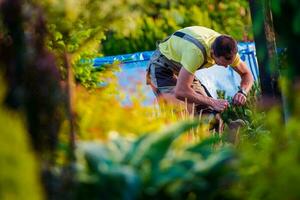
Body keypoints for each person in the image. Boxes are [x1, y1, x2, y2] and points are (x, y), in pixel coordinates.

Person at [146, 26, 254, 115]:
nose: (226, 67)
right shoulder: (196, 53)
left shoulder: (227, 49)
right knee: (181, 115)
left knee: (209, 113)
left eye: (228, 64)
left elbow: (246, 74)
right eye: (221, 64)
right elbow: (180, 91)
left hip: (183, 67)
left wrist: (243, 92)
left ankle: (219, 139)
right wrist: (213, 101)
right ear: (212, 53)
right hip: (163, 67)